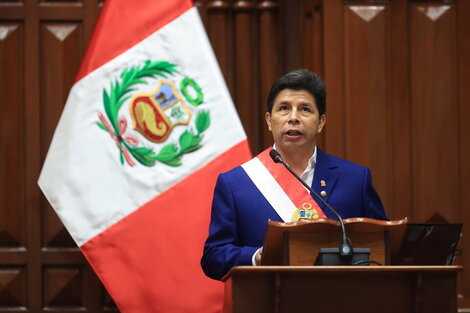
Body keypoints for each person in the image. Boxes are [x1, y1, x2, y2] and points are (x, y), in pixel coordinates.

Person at [201, 69, 388, 280]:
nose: (293, 118)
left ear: (321, 122)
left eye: (305, 109)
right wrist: (257, 257)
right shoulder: (236, 183)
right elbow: (213, 257)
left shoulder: (355, 178)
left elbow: (383, 244)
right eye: (284, 108)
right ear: (269, 120)